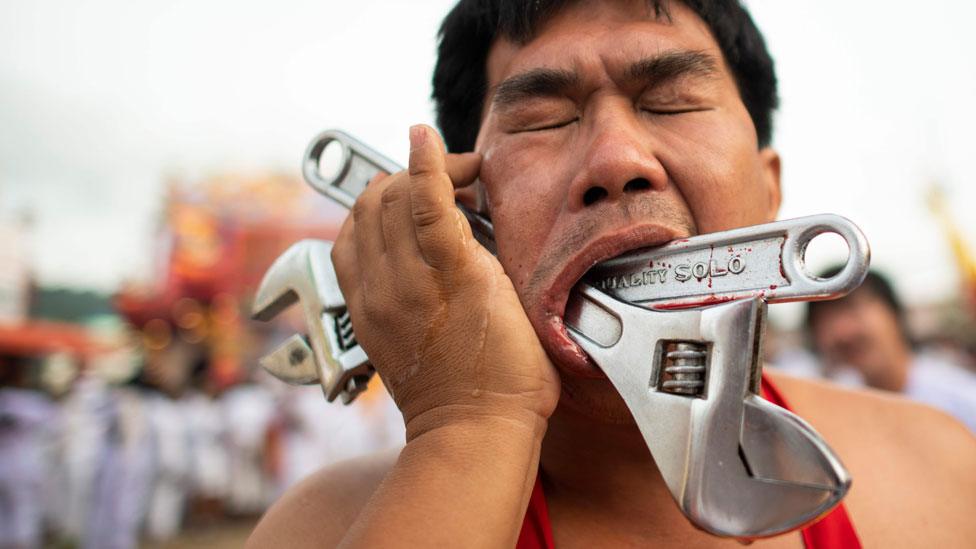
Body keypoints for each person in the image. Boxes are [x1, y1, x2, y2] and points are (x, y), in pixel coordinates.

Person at [248, 1, 976, 547]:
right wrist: (469, 428)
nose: (617, 159)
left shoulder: (940, 475)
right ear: (467, 216)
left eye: (670, 101)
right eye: (542, 121)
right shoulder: (324, 528)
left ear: (769, 189)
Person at [807, 269, 976, 433]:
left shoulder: (963, 402)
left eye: (851, 308)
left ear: (894, 312)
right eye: (824, 320)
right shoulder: (834, 411)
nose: (842, 332)